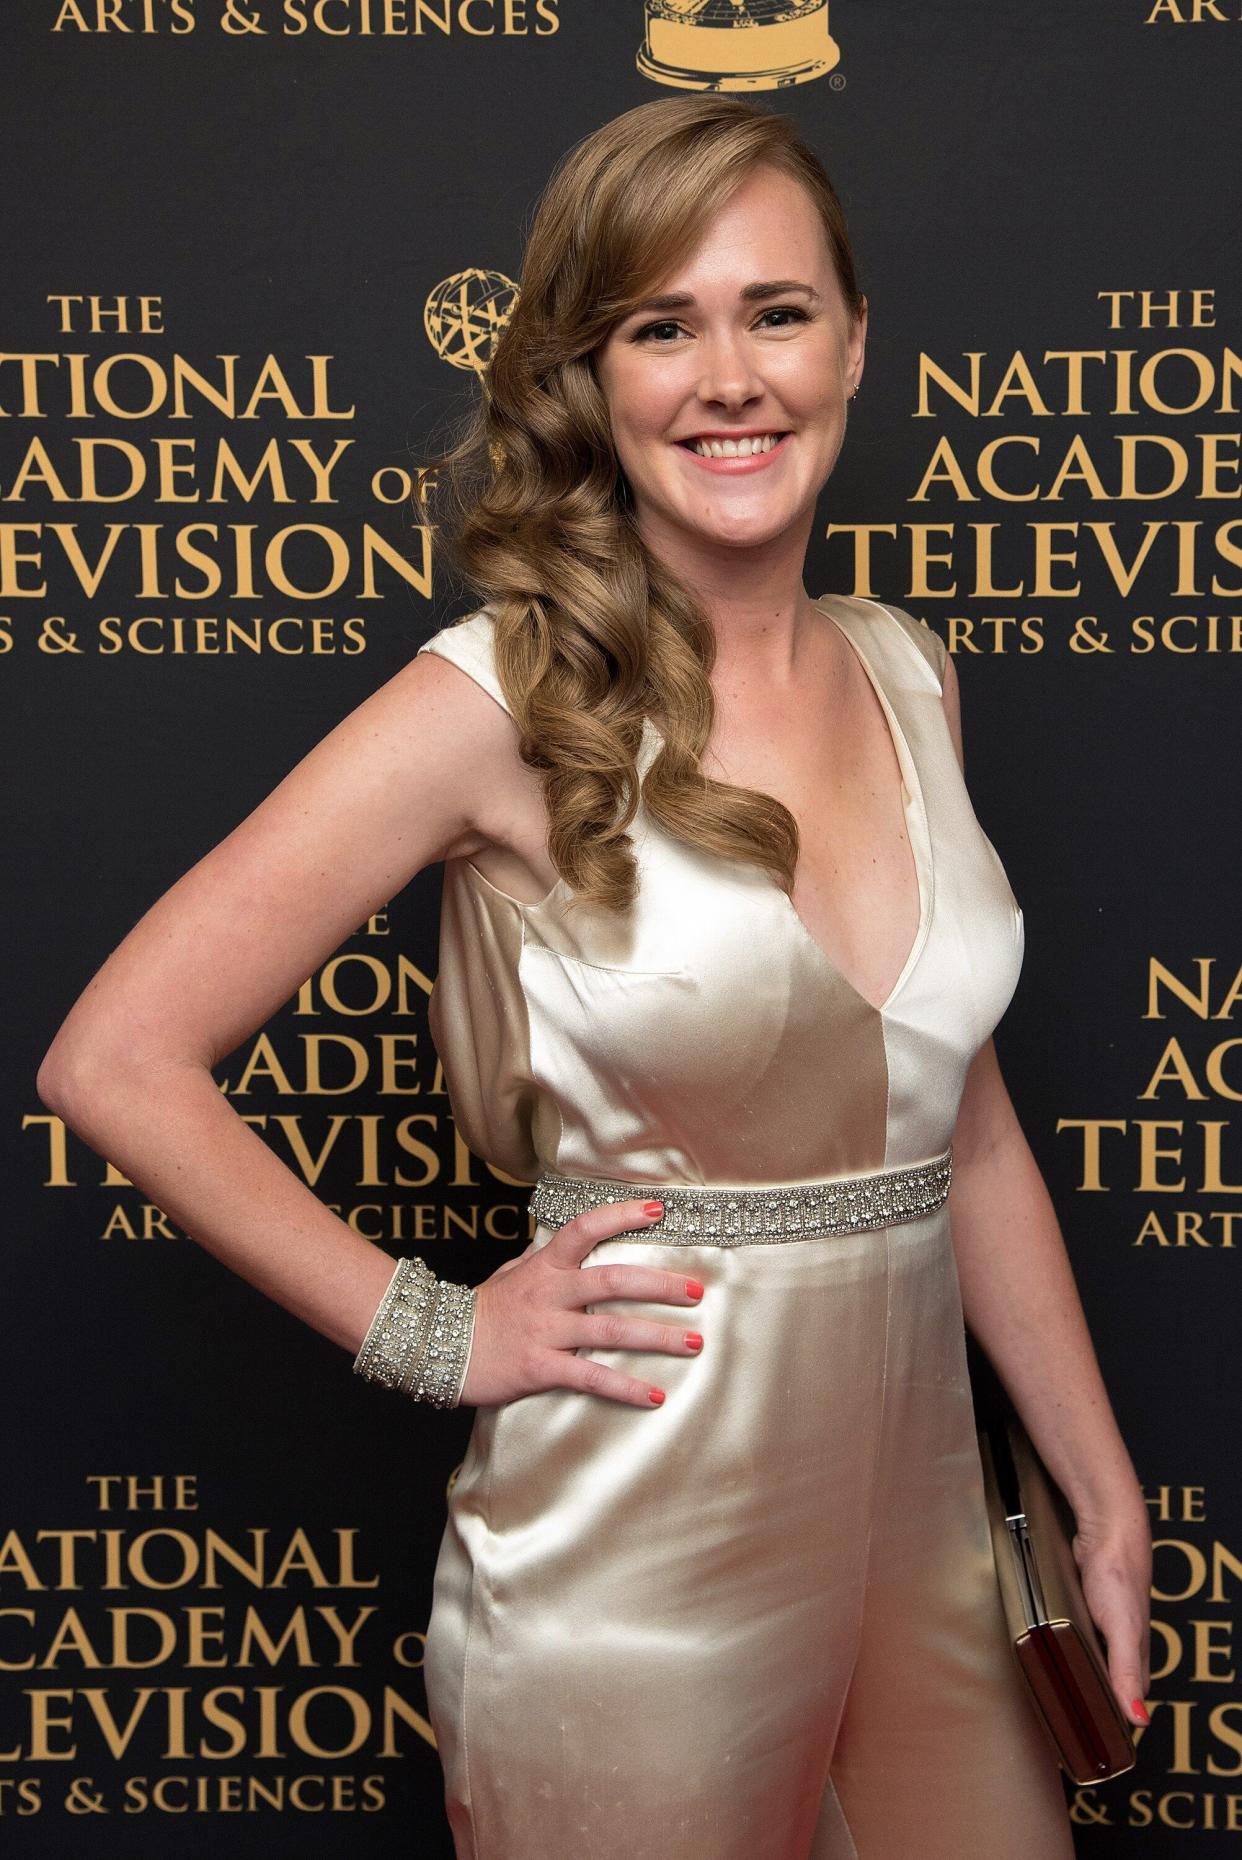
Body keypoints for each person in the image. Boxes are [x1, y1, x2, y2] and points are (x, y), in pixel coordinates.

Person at [37, 94, 1151, 1860]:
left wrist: (1094, 1479)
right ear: (590, 375)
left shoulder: (912, 672)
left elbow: (966, 1116)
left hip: (940, 1552)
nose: (729, 376)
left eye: (774, 312)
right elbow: (117, 1059)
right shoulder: (494, 700)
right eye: (660, 326)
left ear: (853, 339)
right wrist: (439, 1331)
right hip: (635, 1567)